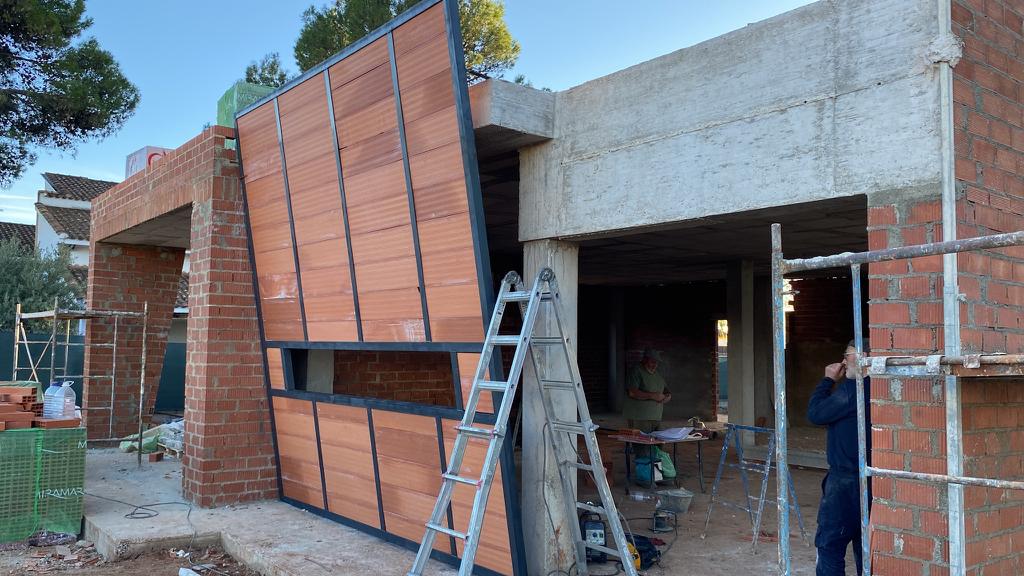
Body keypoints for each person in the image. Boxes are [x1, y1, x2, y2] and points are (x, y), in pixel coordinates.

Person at [807, 340, 872, 576]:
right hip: (873, 479)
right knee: (867, 549)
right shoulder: (881, 389)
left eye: (848, 355)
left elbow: (816, 414)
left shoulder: (852, 390)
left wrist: (828, 381)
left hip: (845, 482)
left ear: (864, 357)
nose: (844, 361)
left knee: (830, 545)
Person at [623, 348, 672, 433]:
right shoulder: (636, 370)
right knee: (641, 440)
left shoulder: (657, 374)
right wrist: (652, 396)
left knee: (656, 440)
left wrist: (668, 396)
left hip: (656, 417)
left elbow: (666, 390)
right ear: (644, 359)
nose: (655, 365)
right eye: (652, 362)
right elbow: (632, 392)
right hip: (639, 417)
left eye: (657, 363)